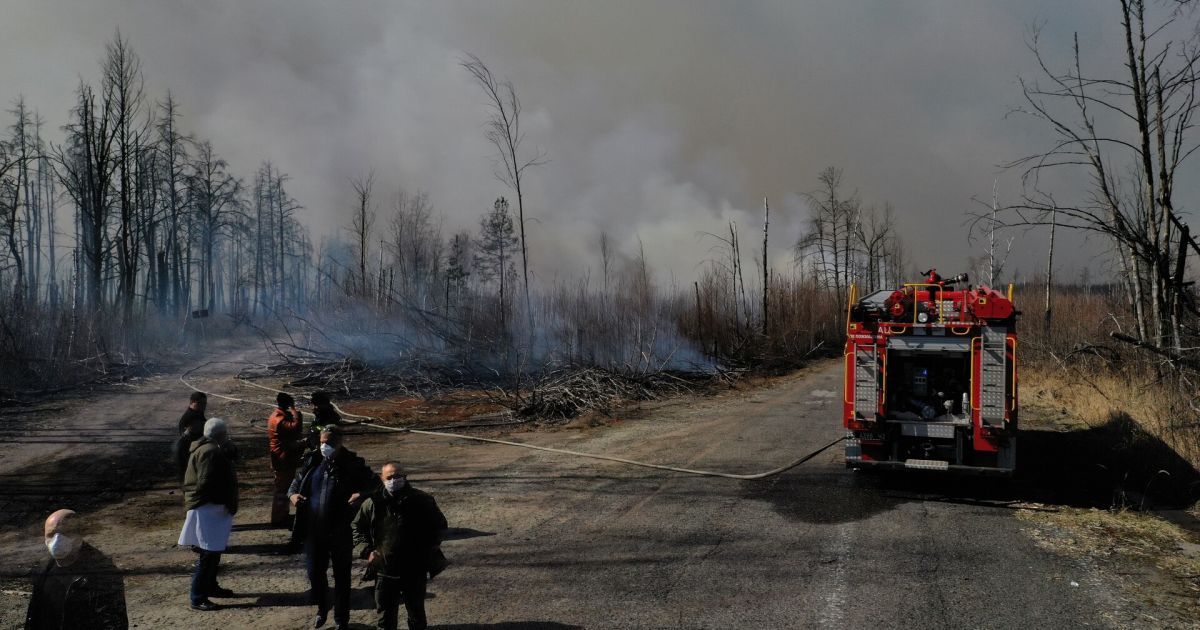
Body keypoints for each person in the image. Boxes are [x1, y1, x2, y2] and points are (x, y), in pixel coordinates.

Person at [289, 426, 378, 630]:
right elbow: (295, 484)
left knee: (342, 576)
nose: (324, 446)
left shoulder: (353, 465)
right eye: (321, 442)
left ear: (339, 443)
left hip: (341, 531)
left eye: (328, 443)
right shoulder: (313, 461)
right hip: (314, 531)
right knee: (314, 574)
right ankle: (322, 608)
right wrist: (293, 495)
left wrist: (361, 494)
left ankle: (341, 619)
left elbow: (375, 484)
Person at [353, 462, 447, 630]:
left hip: (414, 569)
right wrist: (366, 551)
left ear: (405, 477)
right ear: (382, 479)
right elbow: (357, 528)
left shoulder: (422, 500)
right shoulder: (373, 503)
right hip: (384, 570)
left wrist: (428, 548)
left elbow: (440, 526)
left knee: (416, 614)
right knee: (385, 617)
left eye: (398, 476)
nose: (394, 480)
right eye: (389, 477)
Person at [24, 509, 128, 629]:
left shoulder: (102, 575)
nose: (57, 540)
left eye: (65, 533)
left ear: (80, 534)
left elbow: (113, 624)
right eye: (51, 534)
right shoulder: (43, 570)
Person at [178, 418, 239, 612]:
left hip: (210, 508)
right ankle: (198, 597)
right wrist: (224, 499)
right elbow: (206, 482)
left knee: (214, 552)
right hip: (208, 509)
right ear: (221, 434)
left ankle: (210, 587)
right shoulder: (211, 452)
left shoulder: (206, 448)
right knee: (208, 555)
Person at [291, 391, 343, 550]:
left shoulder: (331, 418)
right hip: (315, 454)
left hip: (322, 459)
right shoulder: (320, 415)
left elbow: (325, 433)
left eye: (315, 404)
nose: (313, 408)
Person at [268, 392, 305, 528]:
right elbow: (295, 427)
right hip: (282, 457)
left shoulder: (276, 415)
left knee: (284, 487)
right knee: (282, 489)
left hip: (282, 456)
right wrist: (295, 411)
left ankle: (282, 513)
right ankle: (278, 517)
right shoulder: (279, 418)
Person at [173, 392, 208, 479]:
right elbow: (184, 437)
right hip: (187, 451)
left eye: (205, 403)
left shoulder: (198, 412)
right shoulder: (188, 417)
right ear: (192, 402)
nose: (204, 406)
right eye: (201, 403)